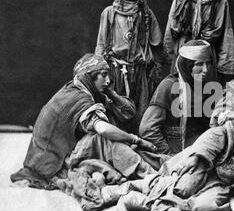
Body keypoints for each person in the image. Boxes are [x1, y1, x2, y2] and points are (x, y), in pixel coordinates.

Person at [98, 87, 234, 211]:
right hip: (207, 161)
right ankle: (126, 190)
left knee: (213, 205)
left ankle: (138, 198)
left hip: (224, 181)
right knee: (183, 187)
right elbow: (217, 134)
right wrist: (199, 156)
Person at [10, 54, 158, 191]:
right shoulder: (77, 98)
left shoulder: (80, 89)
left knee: (113, 135)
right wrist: (136, 139)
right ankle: (151, 176)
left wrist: (109, 92)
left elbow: (129, 113)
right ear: (89, 76)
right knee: (102, 140)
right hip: (49, 164)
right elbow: (103, 130)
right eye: (103, 75)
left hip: (57, 155)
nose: (108, 80)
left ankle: (149, 167)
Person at [95, 0, 165, 131]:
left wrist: (154, 66)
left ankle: (137, 147)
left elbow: (157, 45)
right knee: (114, 110)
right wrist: (98, 71)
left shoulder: (146, 14)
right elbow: (100, 43)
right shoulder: (109, 13)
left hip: (140, 73)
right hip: (114, 71)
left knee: (140, 114)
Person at [164, 0, 234, 85]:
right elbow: (170, 29)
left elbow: (226, 36)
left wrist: (224, 67)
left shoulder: (220, 1)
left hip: (205, 57)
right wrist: (167, 56)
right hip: (183, 54)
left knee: (203, 96)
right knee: (182, 93)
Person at [139, 40, 216, 155]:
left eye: (208, 63)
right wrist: (170, 155)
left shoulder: (205, 87)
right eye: (199, 64)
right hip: (177, 149)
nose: (205, 70)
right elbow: (147, 129)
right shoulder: (169, 86)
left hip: (201, 147)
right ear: (187, 65)